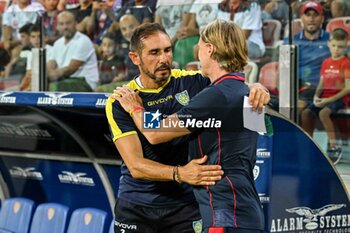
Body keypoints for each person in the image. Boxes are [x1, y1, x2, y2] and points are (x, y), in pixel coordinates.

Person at [105, 22, 269, 233]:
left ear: (209, 49)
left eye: (167, 50)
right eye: (154, 52)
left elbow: (155, 132)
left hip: (194, 206)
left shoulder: (196, 84)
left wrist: (257, 87)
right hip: (138, 205)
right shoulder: (120, 100)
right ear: (135, 57)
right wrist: (180, 173)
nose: (163, 59)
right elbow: (136, 166)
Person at [301, 28, 350, 165]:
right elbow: (321, 83)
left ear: (346, 46)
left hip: (339, 99)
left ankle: (334, 147)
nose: (336, 49)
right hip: (324, 98)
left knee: (323, 113)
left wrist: (327, 100)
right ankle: (309, 145)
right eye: (334, 45)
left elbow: (348, 88)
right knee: (306, 113)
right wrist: (317, 96)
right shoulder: (326, 62)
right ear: (329, 43)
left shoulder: (345, 63)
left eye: (340, 47)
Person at [284, 0, 330, 109]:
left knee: (298, 106)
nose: (311, 19)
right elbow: (283, 69)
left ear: (322, 19)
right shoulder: (291, 41)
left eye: (315, 15)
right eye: (308, 15)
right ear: (301, 19)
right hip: (296, 87)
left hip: (321, 89)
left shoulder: (331, 41)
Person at [47, 10, 98, 91]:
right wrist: (48, 74)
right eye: (61, 24)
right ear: (57, 27)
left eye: (68, 23)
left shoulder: (83, 40)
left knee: (54, 87)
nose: (65, 27)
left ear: (75, 23)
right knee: (41, 84)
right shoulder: (57, 43)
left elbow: (70, 69)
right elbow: (50, 65)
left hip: (84, 82)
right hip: (66, 80)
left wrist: (52, 75)